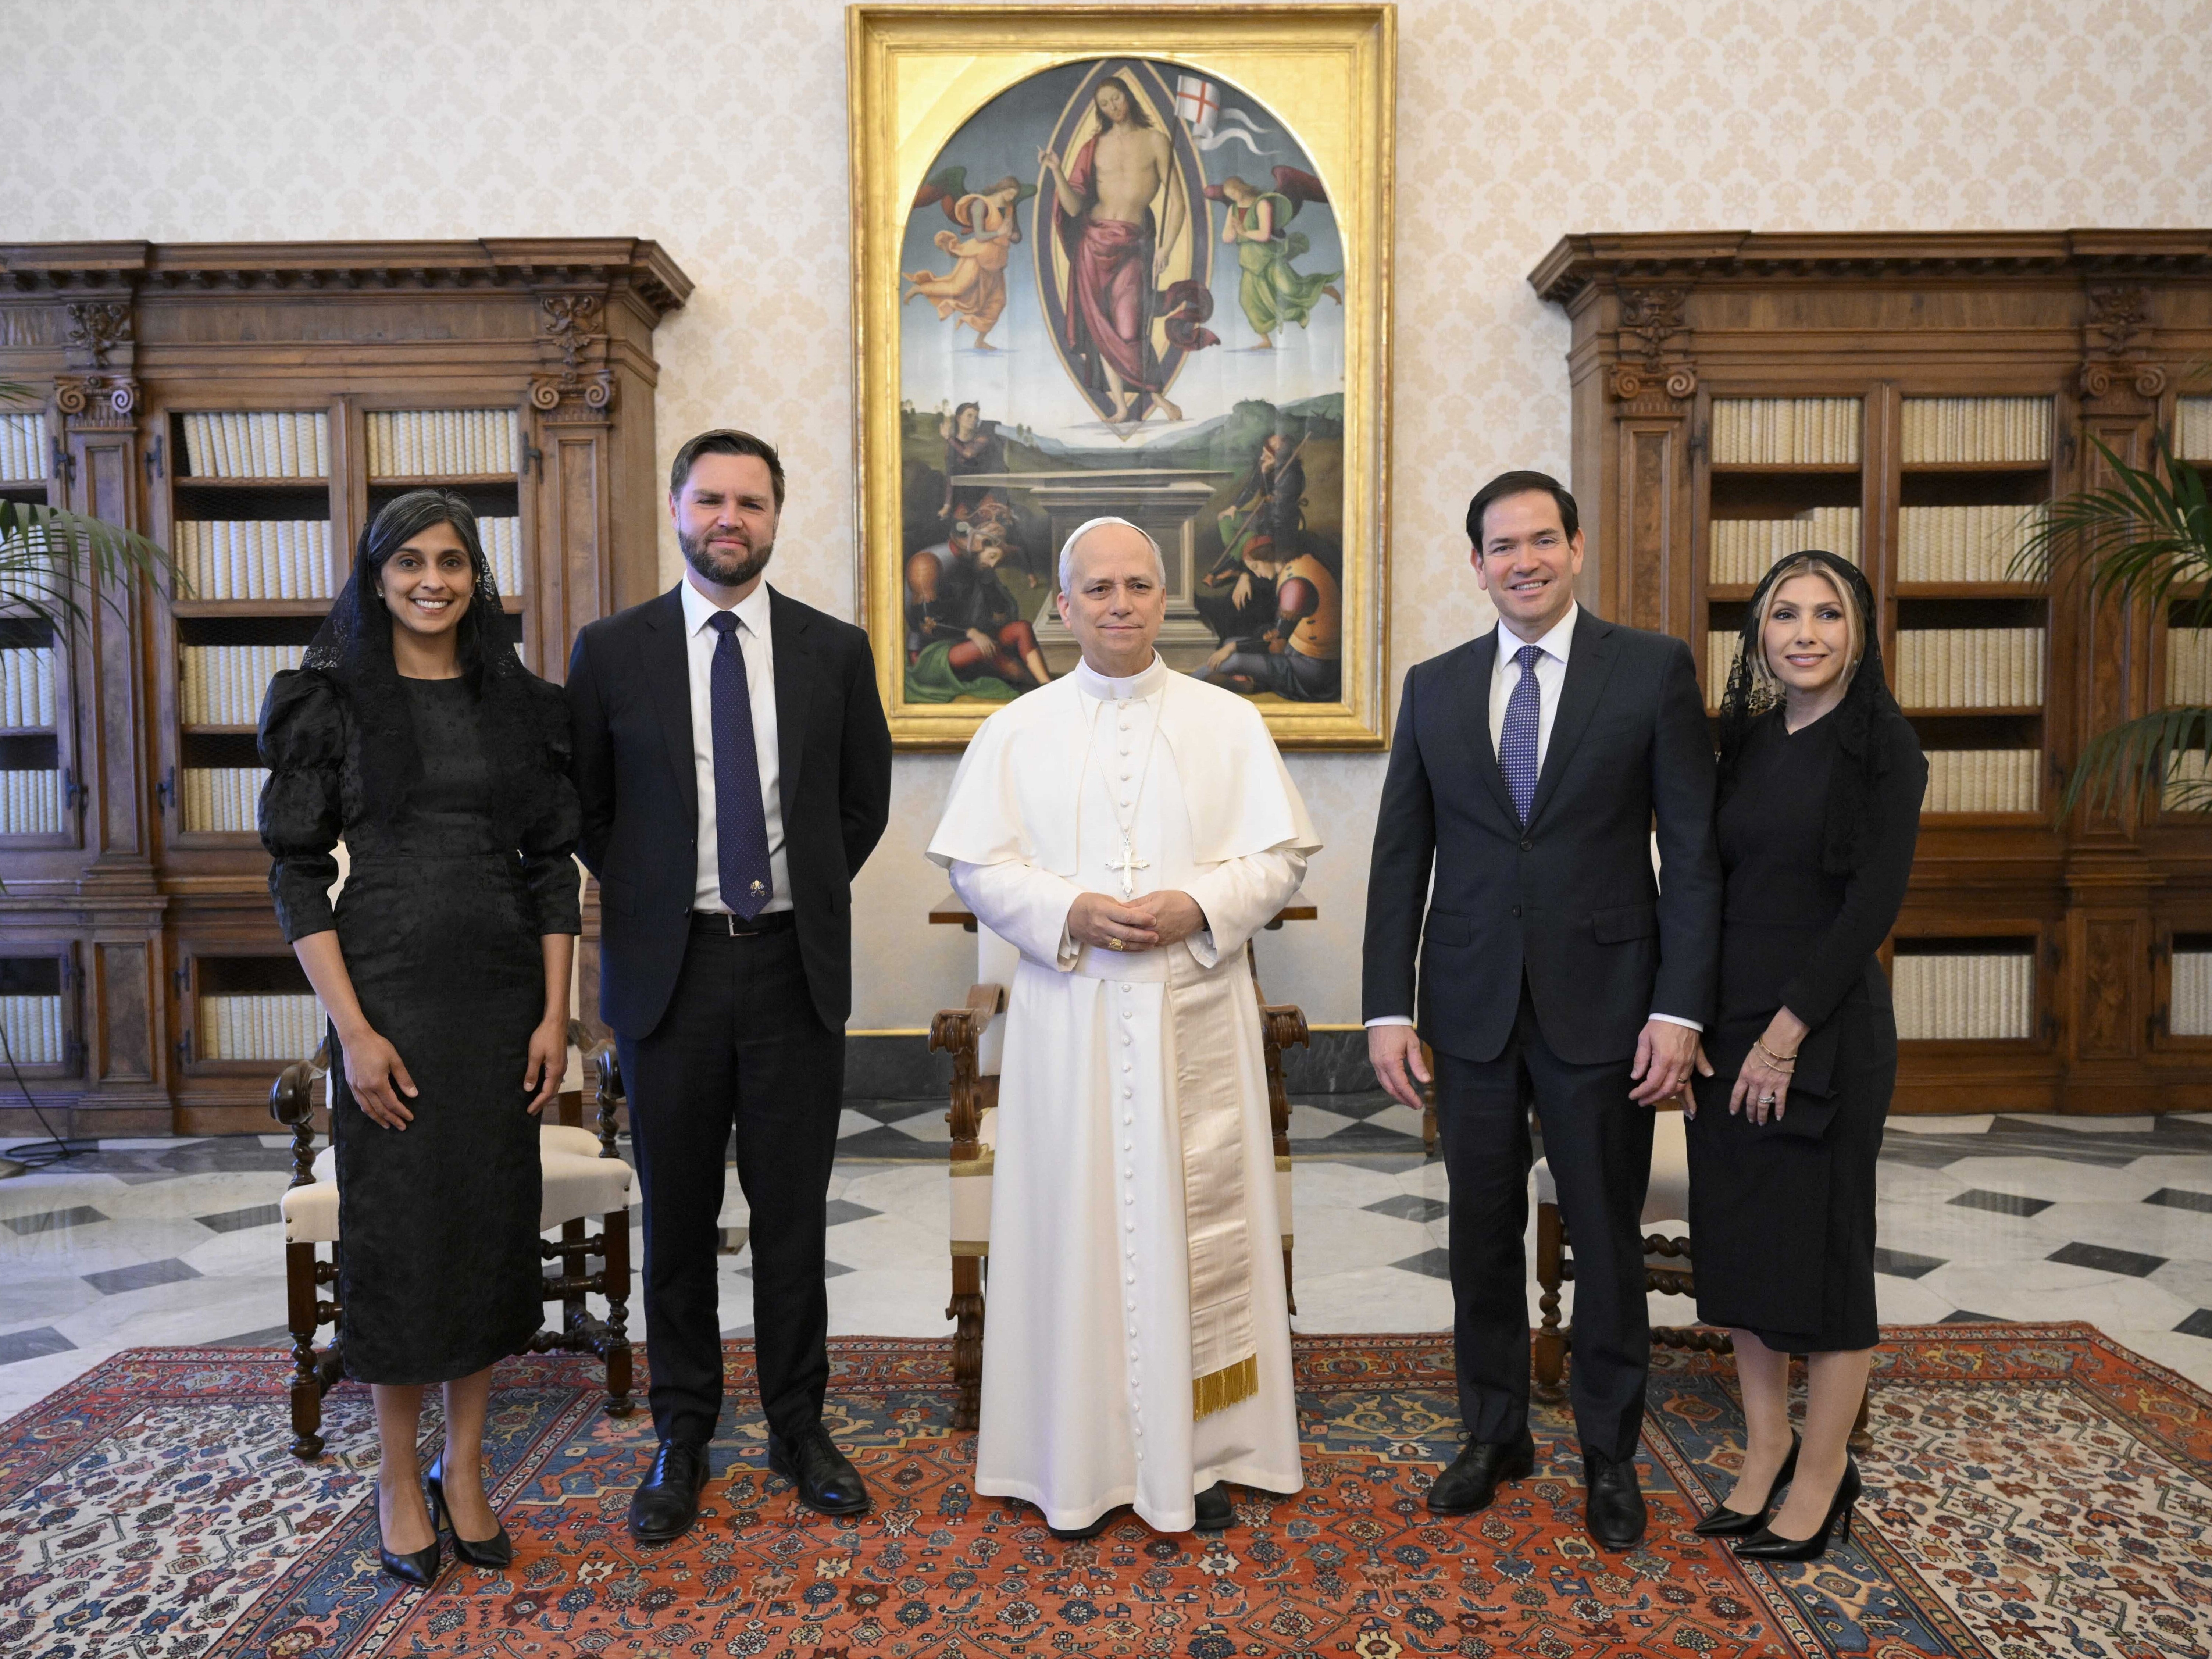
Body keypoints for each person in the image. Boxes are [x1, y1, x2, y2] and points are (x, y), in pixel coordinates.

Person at [927, 516, 1319, 1539]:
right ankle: (1074, 1458)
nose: (1119, 603)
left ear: (1164, 599)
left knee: (1198, 1230)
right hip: (1073, 1017)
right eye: (1097, 587)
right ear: (1063, 604)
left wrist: (1200, 908)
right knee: (1079, 1227)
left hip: (1197, 1009)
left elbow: (1279, 860)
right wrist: (1068, 913)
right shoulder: (1016, 729)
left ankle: (1211, 1453)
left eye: (1138, 585)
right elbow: (979, 866)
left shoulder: (1229, 722)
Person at [1361, 471, 1720, 1551]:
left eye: (1539, 540)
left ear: (1574, 548)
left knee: (1606, 1237)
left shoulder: (1649, 672)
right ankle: (1494, 1429)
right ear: (1474, 564)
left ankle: (1609, 1450)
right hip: (1467, 1007)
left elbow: (1693, 857)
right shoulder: (1432, 686)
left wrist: (1680, 1009)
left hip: (1608, 1006)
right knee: (1478, 1231)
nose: (1520, 561)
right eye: (1498, 546)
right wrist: (1386, 1006)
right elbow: (1398, 860)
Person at [567, 429, 893, 1544]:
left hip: (794, 964)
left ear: (776, 517)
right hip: (672, 973)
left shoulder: (833, 650)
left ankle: (801, 1425)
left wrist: (784, 892)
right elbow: (590, 811)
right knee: (679, 1218)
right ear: (676, 509)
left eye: (750, 502)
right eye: (710, 499)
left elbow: (861, 806)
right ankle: (682, 1431)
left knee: (795, 1214)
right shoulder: (612, 650)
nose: (729, 520)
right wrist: (662, 897)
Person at [260, 489, 581, 1586]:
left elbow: (552, 867)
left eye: (452, 561)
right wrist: (350, 1031)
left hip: (500, 1003)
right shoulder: (332, 703)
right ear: (377, 576)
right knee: (401, 1242)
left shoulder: (520, 705)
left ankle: (468, 1465)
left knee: (491, 1233)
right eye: (409, 564)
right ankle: (397, 1476)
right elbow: (295, 873)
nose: (432, 579)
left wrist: (555, 1014)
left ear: (476, 576)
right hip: (387, 1001)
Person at [1682, 550, 1924, 1562]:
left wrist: (1784, 1038)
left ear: (1860, 631)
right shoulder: (1741, 740)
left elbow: (1870, 908)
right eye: (1786, 614)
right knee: (1739, 1249)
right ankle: (1766, 1446)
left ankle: (1826, 1475)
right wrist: (1698, 1023)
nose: (1807, 633)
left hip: (1822, 1034)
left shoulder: (1886, 750)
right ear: (1759, 635)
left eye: (1830, 614)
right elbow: (1708, 884)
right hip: (1732, 1027)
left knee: (1824, 1261)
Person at [1040, 78, 1188, 424]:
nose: (1112, 107)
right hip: (1093, 244)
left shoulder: (1156, 141)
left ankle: (1157, 397)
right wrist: (1057, 171)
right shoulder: (1094, 147)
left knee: (1128, 327)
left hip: (1134, 244)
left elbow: (1178, 201)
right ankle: (1122, 407)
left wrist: (1166, 248)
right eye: (1104, 104)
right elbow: (1075, 208)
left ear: (1129, 97)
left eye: (1116, 99)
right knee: (1101, 328)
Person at [1210, 172, 1342, 348]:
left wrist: (1245, 233)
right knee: (1248, 301)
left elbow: (1265, 235)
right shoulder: (1232, 210)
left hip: (1268, 257)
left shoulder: (1262, 204)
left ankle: (1325, 289)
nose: (1233, 198)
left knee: (1290, 287)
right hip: (1249, 261)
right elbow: (1226, 237)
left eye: (1233, 194)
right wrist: (1233, 231)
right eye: (1229, 197)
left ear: (1241, 188)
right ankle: (1266, 340)